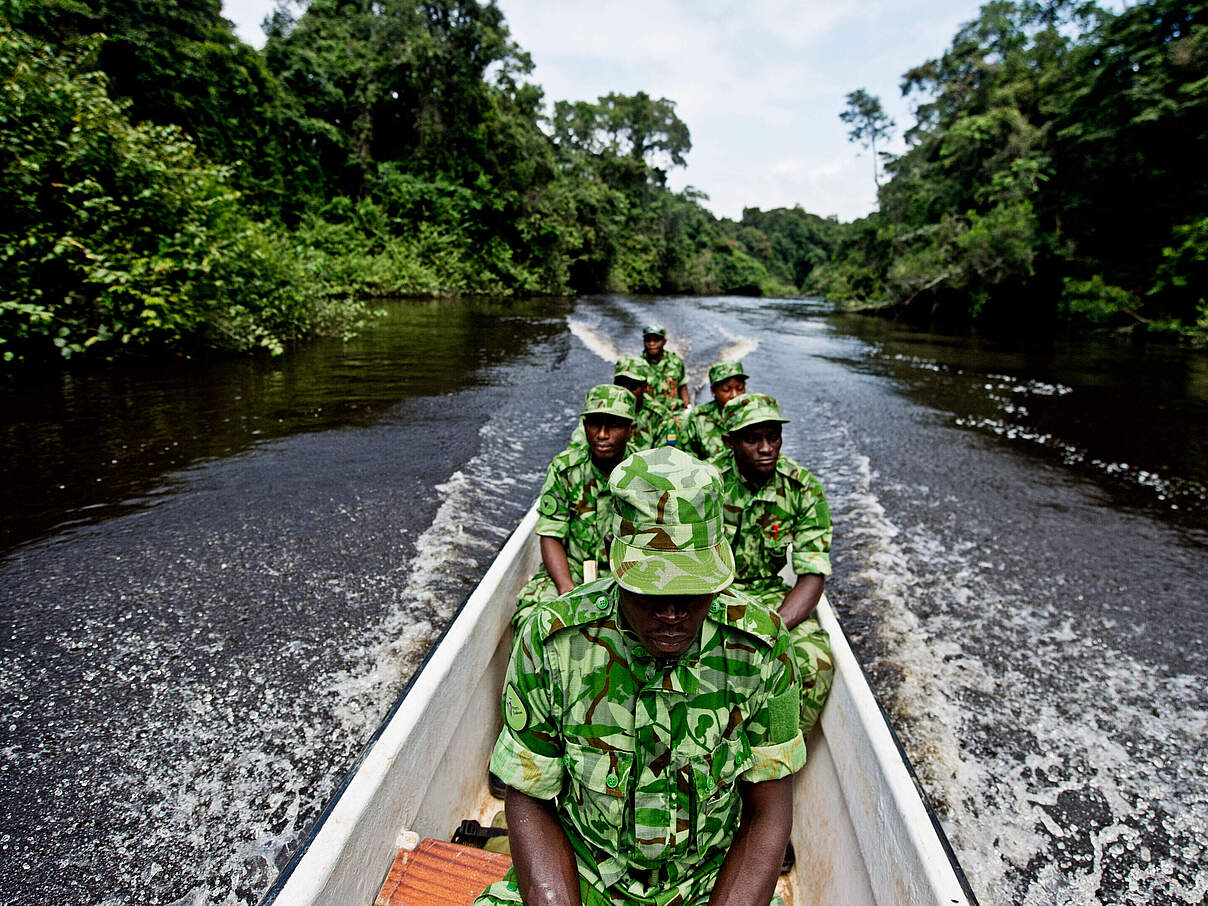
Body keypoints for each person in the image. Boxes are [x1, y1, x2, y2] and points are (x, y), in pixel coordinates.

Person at [476, 447, 806, 906]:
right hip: (584, 870)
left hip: (709, 880)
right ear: (617, 566)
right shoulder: (552, 643)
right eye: (652, 589)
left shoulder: (763, 649)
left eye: (693, 589)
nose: (672, 612)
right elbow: (530, 795)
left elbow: (767, 814)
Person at [714, 393, 834, 738]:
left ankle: (777, 751)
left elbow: (812, 574)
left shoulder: (803, 488)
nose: (766, 447)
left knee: (816, 665)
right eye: (753, 439)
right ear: (730, 442)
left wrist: (774, 628)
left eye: (773, 437)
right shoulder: (707, 483)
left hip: (771, 596)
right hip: (712, 592)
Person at [514, 384, 637, 627]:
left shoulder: (645, 475)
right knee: (533, 620)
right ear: (584, 426)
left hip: (627, 574)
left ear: (630, 429)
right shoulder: (565, 469)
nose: (602, 434)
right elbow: (550, 534)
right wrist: (566, 588)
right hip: (572, 567)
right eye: (594, 424)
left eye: (613, 425)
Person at [570, 356, 677, 452]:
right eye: (620, 384)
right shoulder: (600, 411)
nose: (625, 391)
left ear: (645, 387)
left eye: (633, 386)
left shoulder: (661, 417)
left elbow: (666, 456)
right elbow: (576, 446)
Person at [681, 360, 748, 462]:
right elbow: (687, 456)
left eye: (739, 388)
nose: (734, 395)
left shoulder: (753, 417)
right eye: (726, 390)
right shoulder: (697, 418)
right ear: (713, 391)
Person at [642, 324, 690, 410]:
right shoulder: (637, 365)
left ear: (664, 342)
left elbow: (682, 386)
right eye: (648, 340)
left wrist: (687, 407)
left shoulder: (676, 362)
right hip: (646, 412)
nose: (651, 343)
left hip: (672, 412)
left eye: (656, 340)